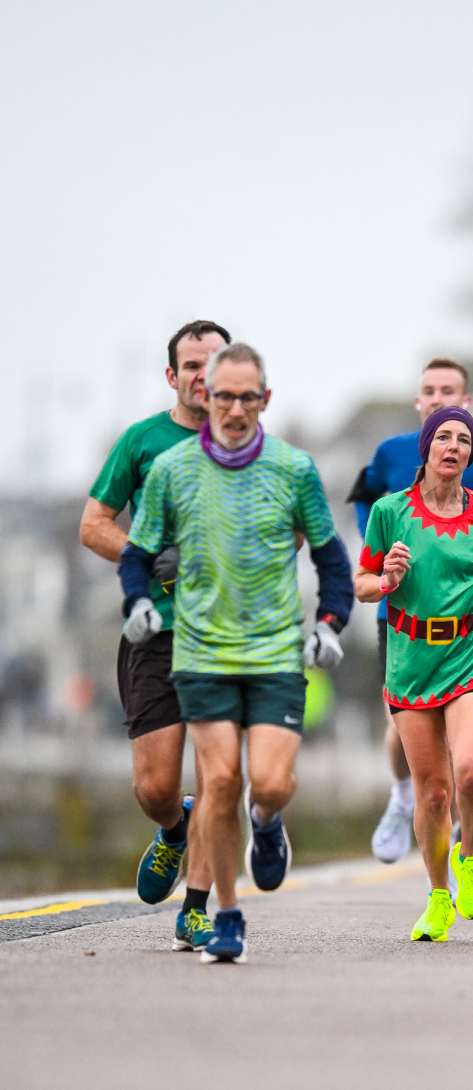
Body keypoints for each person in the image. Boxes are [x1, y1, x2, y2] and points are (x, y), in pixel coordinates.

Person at [119, 342, 353, 964]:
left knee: (268, 783)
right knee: (219, 780)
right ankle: (225, 914)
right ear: (205, 396)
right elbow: (135, 554)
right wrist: (138, 602)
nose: (234, 408)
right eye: (224, 396)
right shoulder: (171, 470)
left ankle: (269, 822)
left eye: (248, 397)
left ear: (265, 400)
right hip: (201, 652)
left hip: (275, 652)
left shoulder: (293, 469)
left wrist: (330, 623)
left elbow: (331, 558)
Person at [80, 319, 230, 951]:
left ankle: (196, 908)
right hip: (154, 631)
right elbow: (94, 524)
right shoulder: (142, 441)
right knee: (155, 788)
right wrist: (144, 555)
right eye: (192, 366)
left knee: (219, 772)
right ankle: (175, 826)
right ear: (173, 377)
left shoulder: (250, 445)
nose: (205, 376)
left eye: (217, 365)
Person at [348, 357, 473, 864]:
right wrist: (393, 545)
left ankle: (463, 844)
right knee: (410, 747)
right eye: (429, 390)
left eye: (448, 391)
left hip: (465, 632)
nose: (437, 398)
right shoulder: (388, 458)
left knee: (468, 765)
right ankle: (403, 796)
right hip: (401, 619)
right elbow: (362, 505)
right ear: (418, 403)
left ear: (466, 404)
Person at [354, 407, 473, 942]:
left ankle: (470, 860)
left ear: (471, 453)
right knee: (434, 794)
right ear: (425, 448)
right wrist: (387, 578)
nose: (452, 446)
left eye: (463, 439)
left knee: (471, 771)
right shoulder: (389, 512)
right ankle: (438, 897)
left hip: (469, 654)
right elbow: (362, 584)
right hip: (410, 661)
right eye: (442, 436)